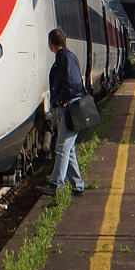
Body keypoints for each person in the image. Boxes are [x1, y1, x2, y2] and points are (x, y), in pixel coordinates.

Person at [37, 27, 86, 197]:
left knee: (62, 147)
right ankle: (78, 184)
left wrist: (62, 100)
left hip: (69, 108)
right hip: (68, 107)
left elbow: (72, 83)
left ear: (51, 42)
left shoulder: (65, 57)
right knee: (68, 148)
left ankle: (56, 183)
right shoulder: (64, 56)